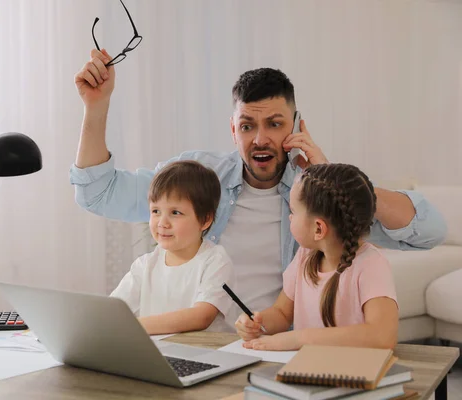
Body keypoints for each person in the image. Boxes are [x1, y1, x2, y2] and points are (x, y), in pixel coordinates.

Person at [70, 49, 446, 328]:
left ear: (297, 124)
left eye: (275, 124)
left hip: (275, 343)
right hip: (198, 340)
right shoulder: (200, 176)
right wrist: (96, 105)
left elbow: (428, 232)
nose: (261, 139)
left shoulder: (315, 192)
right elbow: (98, 192)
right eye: (248, 126)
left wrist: (333, 178)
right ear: (233, 130)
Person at [235, 163, 398, 350]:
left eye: (293, 212)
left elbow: (382, 337)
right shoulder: (306, 256)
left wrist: (300, 338)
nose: (289, 217)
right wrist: (258, 324)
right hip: (305, 369)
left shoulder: (371, 265)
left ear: (318, 228)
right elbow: (281, 313)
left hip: (352, 373)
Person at [110, 160, 233, 334]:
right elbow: (114, 310)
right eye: (155, 211)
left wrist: (133, 326)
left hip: (205, 351)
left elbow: (201, 316)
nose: (162, 223)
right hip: (159, 353)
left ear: (205, 220)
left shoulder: (215, 261)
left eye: (175, 213)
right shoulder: (145, 265)